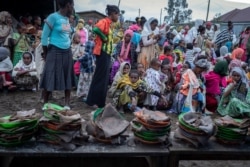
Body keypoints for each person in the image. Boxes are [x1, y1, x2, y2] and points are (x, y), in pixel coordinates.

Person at [40, 0, 75, 109]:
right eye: (72, 5)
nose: (73, 8)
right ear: (68, 5)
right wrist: (46, 54)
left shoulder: (66, 19)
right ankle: (45, 103)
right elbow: (44, 38)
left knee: (67, 75)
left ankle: (67, 104)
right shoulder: (52, 17)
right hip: (54, 50)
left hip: (67, 51)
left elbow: (66, 35)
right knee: (49, 74)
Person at [86, 4, 120, 108]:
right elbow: (95, 29)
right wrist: (103, 37)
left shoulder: (110, 24)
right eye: (117, 14)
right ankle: (94, 102)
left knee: (104, 77)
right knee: (100, 77)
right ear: (113, 13)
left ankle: (99, 102)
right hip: (102, 52)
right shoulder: (104, 21)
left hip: (107, 53)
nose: (118, 17)